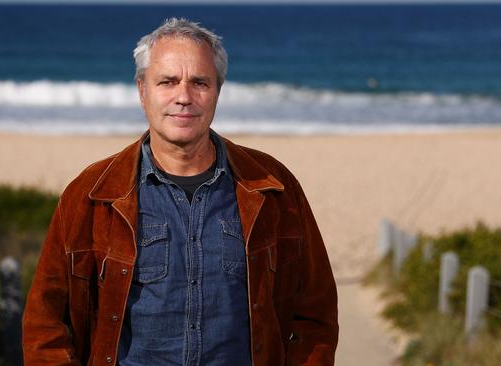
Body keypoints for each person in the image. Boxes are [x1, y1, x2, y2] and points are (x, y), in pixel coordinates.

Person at [22, 18, 338, 366]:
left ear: (218, 90)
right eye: (167, 82)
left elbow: (316, 315)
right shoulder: (90, 195)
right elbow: (45, 325)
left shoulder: (273, 187)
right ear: (142, 90)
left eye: (199, 82)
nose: (184, 97)